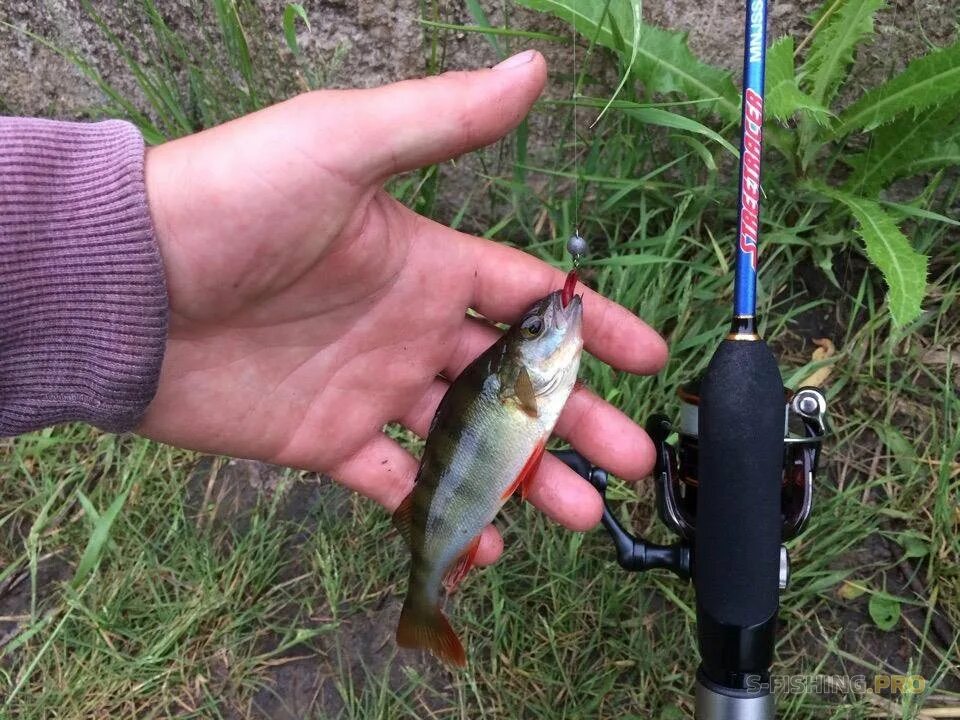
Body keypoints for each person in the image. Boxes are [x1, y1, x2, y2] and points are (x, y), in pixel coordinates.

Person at [0, 50, 667, 566]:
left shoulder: (522, 381)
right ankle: (429, 588)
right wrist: (147, 240)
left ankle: (433, 575)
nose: (545, 318)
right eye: (533, 327)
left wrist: (115, 254)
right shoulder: (522, 378)